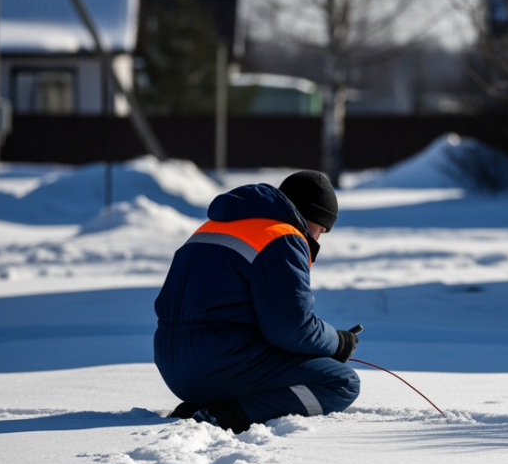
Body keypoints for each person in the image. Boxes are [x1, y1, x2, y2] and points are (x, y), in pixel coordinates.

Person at [154, 170, 361, 433]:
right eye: (320, 230)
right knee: (342, 382)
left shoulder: (211, 227)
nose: (317, 240)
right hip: (213, 364)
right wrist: (338, 343)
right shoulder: (282, 236)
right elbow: (290, 327)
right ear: (312, 218)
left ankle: (205, 404)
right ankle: (226, 415)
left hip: (173, 366)